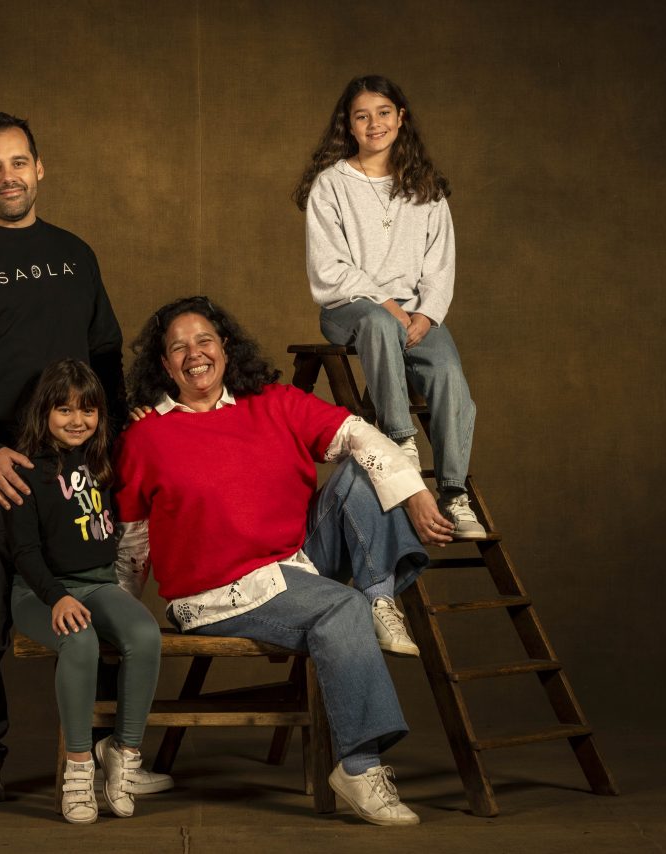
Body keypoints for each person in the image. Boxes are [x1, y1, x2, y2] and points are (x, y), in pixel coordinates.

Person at [113, 296, 456, 827]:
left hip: (294, 564)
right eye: (178, 348)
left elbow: (360, 434)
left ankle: (380, 596)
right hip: (216, 593)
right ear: (164, 365)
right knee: (340, 609)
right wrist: (117, 616)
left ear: (225, 347)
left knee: (363, 466)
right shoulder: (144, 437)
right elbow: (133, 544)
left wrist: (414, 493)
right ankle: (360, 768)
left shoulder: (273, 401)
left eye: (204, 340)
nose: (194, 354)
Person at [0, 112, 169, 803]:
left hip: (74, 467)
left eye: (18, 162)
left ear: (40, 168)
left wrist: (116, 440)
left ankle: (113, 749)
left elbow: (106, 350)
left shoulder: (74, 254)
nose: (8, 178)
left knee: (101, 598)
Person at [293, 74, 486, 538]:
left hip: (416, 312)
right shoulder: (331, 185)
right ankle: (402, 441)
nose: (374, 123)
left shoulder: (425, 187)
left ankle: (454, 493)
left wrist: (426, 313)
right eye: (362, 116)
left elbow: (440, 263)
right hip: (350, 306)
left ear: (401, 118)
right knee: (378, 323)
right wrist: (385, 304)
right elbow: (329, 268)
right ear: (349, 125)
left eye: (383, 113)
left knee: (449, 375)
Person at [7, 360, 162, 824]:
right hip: (40, 594)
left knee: (145, 635)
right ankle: (78, 768)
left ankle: (123, 752)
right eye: (65, 410)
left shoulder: (102, 459)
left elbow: (141, 439)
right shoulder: (26, 469)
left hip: (98, 584)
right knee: (80, 640)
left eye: (88, 410)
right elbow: (24, 552)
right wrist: (56, 597)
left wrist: (142, 417)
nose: (77, 420)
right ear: (44, 412)